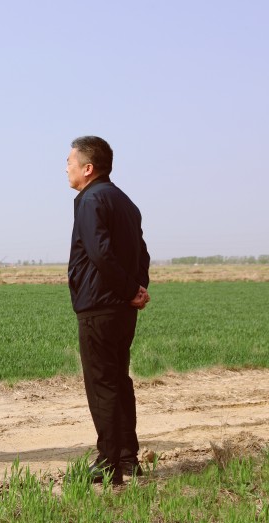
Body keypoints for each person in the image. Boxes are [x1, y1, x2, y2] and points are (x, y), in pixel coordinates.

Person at [66, 136, 150, 484]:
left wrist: (130, 290)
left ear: (88, 168)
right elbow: (142, 252)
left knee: (102, 384)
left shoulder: (91, 199)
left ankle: (109, 462)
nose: (66, 168)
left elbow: (99, 252)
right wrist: (137, 290)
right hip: (122, 309)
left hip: (99, 305)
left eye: (70, 162)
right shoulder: (125, 201)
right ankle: (128, 458)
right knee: (119, 380)